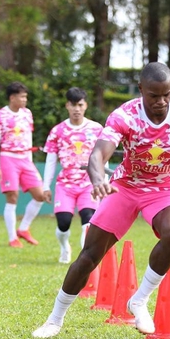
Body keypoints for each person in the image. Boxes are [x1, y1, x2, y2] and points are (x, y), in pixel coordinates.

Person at [32, 62, 170, 338]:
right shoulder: (125, 116)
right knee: (90, 255)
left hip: (166, 189)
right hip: (125, 188)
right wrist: (99, 179)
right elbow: (98, 153)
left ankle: (139, 299)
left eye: (166, 95)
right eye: (153, 95)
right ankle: (55, 319)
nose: (161, 102)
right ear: (140, 91)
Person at [42, 87, 104, 264]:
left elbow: (103, 157)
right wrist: (46, 186)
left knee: (88, 221)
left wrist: (103, 182)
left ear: (86, 106)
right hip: (65, 185)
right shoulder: (57, 131)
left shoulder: (96, 129)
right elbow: (51, 161)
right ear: (67, 106)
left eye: (80, 105)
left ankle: (83, 259)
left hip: (89, 184)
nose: (76, 109)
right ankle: (64, 247)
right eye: (73, 105)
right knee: (63, 223)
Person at [0, 81, 48, 248]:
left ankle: (23, 229)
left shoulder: (27, 114)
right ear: (12, 97)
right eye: (22, 97)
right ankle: (12, 237)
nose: (24, 100)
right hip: (7, 158)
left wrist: (29, 159)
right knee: (12, 196)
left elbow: (28, 137)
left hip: (25, 159)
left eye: (25, 97)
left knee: (40, 195)